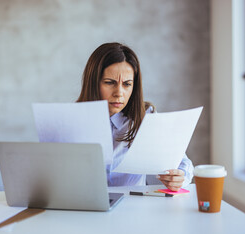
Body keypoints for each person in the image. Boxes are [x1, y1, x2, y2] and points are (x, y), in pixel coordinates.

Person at [77, 42, 194, 191]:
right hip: (85, 207)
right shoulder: (74, 119)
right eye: (109, 83)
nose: (119, 93)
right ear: (94, 82)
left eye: (127, 84)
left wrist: (179, 177)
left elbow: (184, 164)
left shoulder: (145, 118)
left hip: (132, 207)